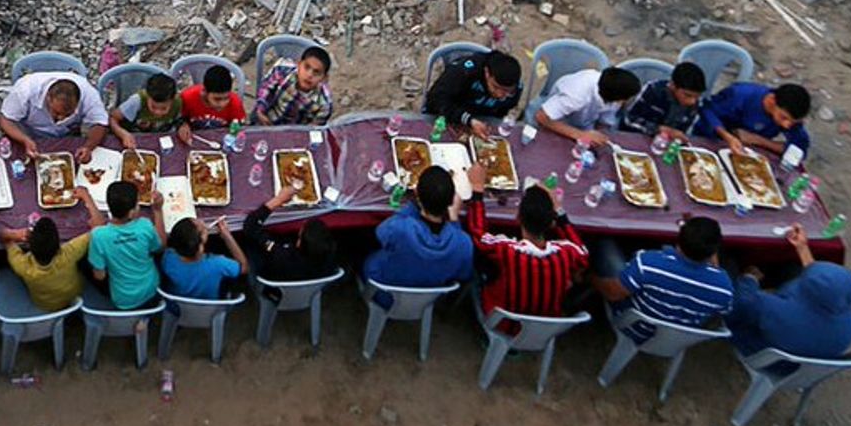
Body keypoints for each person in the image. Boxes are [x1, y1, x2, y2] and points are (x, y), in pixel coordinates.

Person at [461, 166, 589, 323]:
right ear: (551, 224)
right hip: (544, 327)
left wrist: (477, 188)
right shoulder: (567, 253)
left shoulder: (507, 250)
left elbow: (478, 234)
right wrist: (559, 211)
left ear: (517, 218)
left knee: (478, 265)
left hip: (503, 321)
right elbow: (583, 253)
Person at [589, 217, 733, 343]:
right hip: (679, 338)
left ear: (679, 239)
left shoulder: (649, 263)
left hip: (634, 325)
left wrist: (589, 277)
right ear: (714, 251)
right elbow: (722, 311)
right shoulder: (724, 287)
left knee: (604, 241)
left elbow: (613, 293)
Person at [725, 226, 851, 359]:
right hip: (805, 366)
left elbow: (743, 302)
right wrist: (802, 248)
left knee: (729, 266)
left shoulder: (775, 309)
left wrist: (750, 279)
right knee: (793, 270)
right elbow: (820, 281)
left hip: (764, 355)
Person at [362, 166, 474, 295]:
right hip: (427, 300)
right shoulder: (464, 244)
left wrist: (413, 205)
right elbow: (463, 274)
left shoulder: (400, 228)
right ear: (452, 202)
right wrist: (454, 220)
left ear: (417, 195)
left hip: (382, 291)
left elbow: (380, 233)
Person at [0, 192, 104, 312]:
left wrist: (14, 234)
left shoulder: (22, 265)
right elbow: (99, 227)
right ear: (59, 243)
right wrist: (86, 196)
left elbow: (4, 237)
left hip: (45, 304)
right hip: (73, 294)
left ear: (29, 245)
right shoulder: (69, 252)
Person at [0, 71, 110, 161]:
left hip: (68, 135)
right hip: (29, 134)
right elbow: (5, 120)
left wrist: (88, 147)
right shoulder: (24, 91)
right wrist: (25, 140)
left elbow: (100, 123)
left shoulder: (89, 95)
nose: (60, 119)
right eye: (56, 113)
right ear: (48, 98)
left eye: (68, 115)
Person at [86, 180, 164, 310]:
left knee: (83, 264)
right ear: (131, 212)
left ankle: (140, 320)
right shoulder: (145, 226)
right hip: (152, 291)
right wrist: (158, 211)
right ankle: (144, 319)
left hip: (123, 300)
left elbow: (100, 276)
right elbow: (160, 247)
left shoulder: (99, 236)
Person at [239, 189, 336, 287]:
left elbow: (250, 226)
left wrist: (278, 200)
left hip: (273, 286)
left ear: (299, 243)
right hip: (311, 287)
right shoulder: (329, 258)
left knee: (252, 244)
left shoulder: (280, 254)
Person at [421, 49, 524, 138]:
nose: (500, 95)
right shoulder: (465, 72)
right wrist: (468, 120)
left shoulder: (515, 88)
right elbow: (435, 99)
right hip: (443, 119)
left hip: (477, 125)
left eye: (507, 91)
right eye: (495, 87)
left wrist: (485, 125)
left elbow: (500, 114)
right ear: (487, 73)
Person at [532, 66, 641, 149]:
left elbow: (604, 122)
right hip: (559, 122)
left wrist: (599, 135)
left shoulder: (611, 94)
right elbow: (541, 117)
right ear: (618, 98)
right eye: (627, 99)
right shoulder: (577, 96)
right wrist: (580, 135)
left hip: (584, 126)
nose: (628, 102)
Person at [696, 81, 812, 159]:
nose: (787, 125)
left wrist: (759, 140)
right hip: (711, 141)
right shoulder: (740, 95)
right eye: (784, 117)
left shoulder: (790, 119)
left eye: (793, 122)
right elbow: (707, 110)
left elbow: (798, 151)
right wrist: (727, 136)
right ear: (772, 100)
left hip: (746, 152)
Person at [160, 215, 248, 300]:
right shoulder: (218, 263)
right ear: (200, 246)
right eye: (203, 229)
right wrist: (227, 236)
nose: (202, 222)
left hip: (176, 310)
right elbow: (244, 268)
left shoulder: (168, 258)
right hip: (211, 312)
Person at [618, 62, 708, 140]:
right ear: (672, 85)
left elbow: (685, 130)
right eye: (687, 95)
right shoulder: (653, 91)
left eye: (696, 96)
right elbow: (629, 119)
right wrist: (660, 129)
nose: (692, 101)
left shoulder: (695, 103)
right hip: (637, 138)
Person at [254, 46, 336, 127]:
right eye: (306, 67)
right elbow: (266, 89)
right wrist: (261, 111)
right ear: (299, 64)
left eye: (316, 72)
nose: (309, 75)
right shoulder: (282, 71)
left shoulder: (324, 104)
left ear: (324, 78)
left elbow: (313, 130)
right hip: (267, 117)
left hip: (293, 132)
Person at [108, 72, 190, 148]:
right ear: (147, 96)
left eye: (164, 108)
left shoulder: (177, 103)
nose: (158, 112)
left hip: (162, 141)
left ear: (172, 101)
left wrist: (183, 127)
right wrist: (123, 134)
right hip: (135, 140)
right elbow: (112, 118)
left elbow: (180, 120)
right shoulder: (136, 102)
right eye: (153, 107)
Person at [180, 66, 247, 132]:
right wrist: (182, 125)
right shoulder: (187, 98)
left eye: (226, 98)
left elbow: (239, 128)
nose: (222, 104)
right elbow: (179, 119)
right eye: (217, 99)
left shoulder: (235, 103)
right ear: (204, 92)